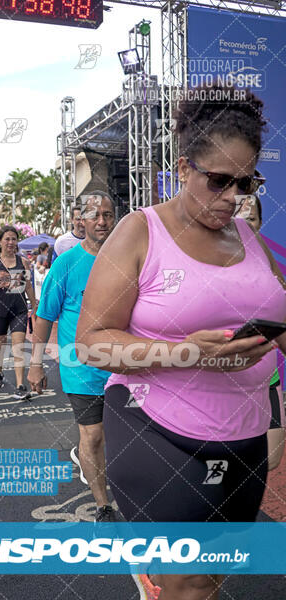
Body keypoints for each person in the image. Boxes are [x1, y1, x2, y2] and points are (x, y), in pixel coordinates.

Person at [76, 85, 286, 599]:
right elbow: (90, 344)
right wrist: (187, 352)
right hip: (156, 428)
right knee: (190, 580)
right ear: (182, 166)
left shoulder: (253, 240)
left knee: (214, 573)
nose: (233, 197)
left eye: (246, 182)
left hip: (246, 433)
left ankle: (155, 581)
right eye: (218, 180)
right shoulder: (139, 231)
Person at [28, 191, 117, 523]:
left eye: (107, 214)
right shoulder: (65, 263)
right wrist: (35, 364)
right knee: (92, 435)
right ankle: (103, 505)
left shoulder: (127, 258)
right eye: (95, 215)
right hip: (81, 366)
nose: (102, 221)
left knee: (125, 438)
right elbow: (44, 317)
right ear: (82, 219)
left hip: (125, 367)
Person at [239, 194, 285, 471]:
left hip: (266, 378)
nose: (243, 225)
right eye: (237, 217)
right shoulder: (202, 266)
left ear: (260, 222)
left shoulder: (268, 268)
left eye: (251, 219)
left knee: (271, 456)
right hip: (218, 384)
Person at [0, 226, 37, 399]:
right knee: (0, 345)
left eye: (14, 239)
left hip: (19, 309)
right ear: (0, 241)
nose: (11, 242)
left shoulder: (23, 262)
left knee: (18, 347)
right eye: (7, 239)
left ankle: (20, 385)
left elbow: (27, 285)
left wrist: (34, 305)